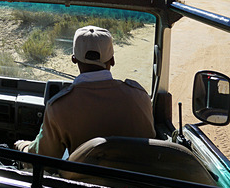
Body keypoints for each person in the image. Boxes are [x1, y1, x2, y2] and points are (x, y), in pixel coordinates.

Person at [14, 25, 155, 159]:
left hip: (82, 182)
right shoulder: (139, 96)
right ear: (112, 60)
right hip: (134, 181)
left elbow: (44, 158)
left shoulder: (59, 107)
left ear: (74, 59)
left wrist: (22, 146)